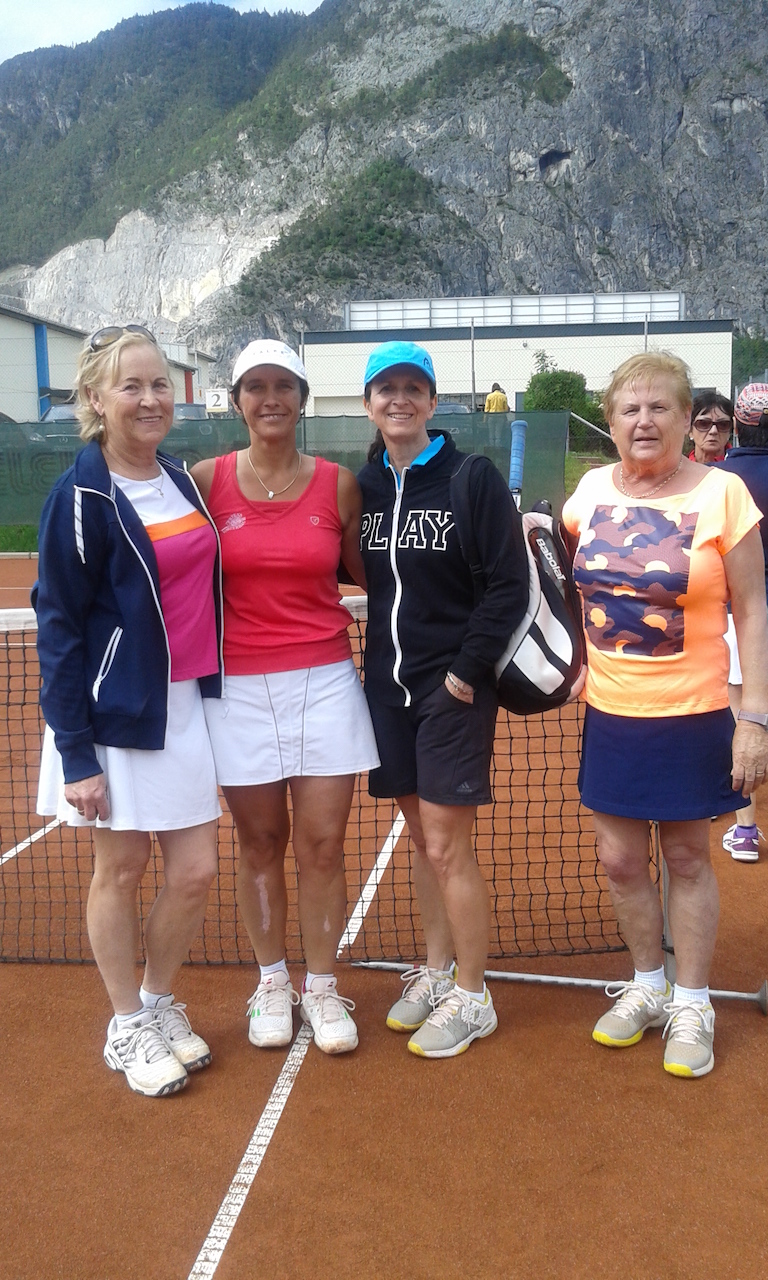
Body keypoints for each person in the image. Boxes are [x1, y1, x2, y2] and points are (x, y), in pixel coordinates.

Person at [563, 351, 768, 1078]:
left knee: (685, 858)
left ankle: (692, 1003)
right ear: (611, 421)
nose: (644, 420)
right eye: (630, 408)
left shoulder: (724, 493)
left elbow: (753, 608)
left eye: (660, 408)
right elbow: (571, 585)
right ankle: (648, 985)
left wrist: (755, 718)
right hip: (611, 712)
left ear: (687, 420)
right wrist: (571, 658)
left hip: (694, 712)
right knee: (620, 862)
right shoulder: (588, 493)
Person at [35, 325, 224, 1098]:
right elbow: (58, 627)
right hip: (111, 716)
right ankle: (125, 1025)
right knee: (120, 867)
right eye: (131, 386)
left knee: (196, 870)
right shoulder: (79, 497)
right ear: (95, 398)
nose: (150, 400)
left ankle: (155, 1001)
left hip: (182, 705)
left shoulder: (177, 476)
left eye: (159, 385)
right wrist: (75, 753)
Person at [192, 339, 379, 1056]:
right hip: (236, 690)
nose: (270, 399)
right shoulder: (206, 481)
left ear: (302, 399)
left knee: (324, 845)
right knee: (261, 842)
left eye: (283, 387)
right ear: (237, 400)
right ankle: (272, 982)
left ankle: (322, 987)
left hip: (324, 682)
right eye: (255, 387)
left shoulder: (339, 485)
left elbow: (373, 575)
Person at [358, 340, 529, 1058]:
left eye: (413, 388)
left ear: (432, 401)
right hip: (386, 690)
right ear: (369, 402)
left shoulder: (470, 477)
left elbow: (509, 585)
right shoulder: (364, 486)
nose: (399, 399)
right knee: (422, 841)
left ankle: (473, 993)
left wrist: (465, 671)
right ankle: (435, 971)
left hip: (451, 690)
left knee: (448, 845)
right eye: (386, 388)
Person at [715, 383, 768, 861]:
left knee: (743, 716)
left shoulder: (719, 481)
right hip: (747, 612)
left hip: (741, 616)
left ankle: (746, 830)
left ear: (738, 425)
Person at [688, 392, 733, 463]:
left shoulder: (740, 466)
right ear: (690, 430)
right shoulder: (676, 467)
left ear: (730, 431)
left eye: (723, 424)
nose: (713, 431)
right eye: (703, 424)